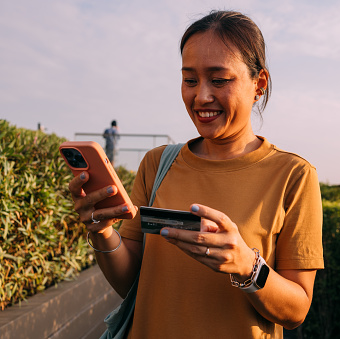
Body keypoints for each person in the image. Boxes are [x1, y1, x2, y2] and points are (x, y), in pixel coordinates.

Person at [68, 10, 323, 338]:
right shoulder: (157, 164)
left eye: (219, 80)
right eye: (190, 79)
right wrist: (102, 231)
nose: (201, 96)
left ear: (259, 84)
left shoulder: (293, 175)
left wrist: (248, 265)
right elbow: (130, 283)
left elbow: (297, 310)